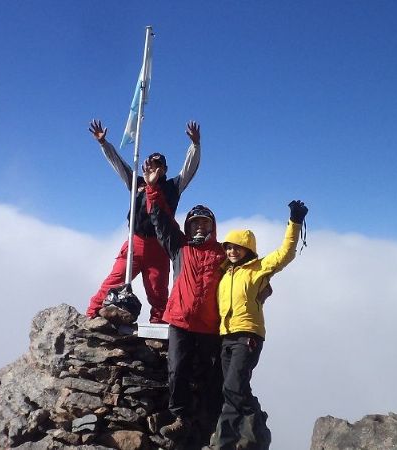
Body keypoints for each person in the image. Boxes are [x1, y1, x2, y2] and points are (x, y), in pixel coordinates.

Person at [211, 200, 308, 450]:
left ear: (248, 249)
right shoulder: (223, 272)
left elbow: (285, 253)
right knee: (232, 388)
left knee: (233, 386)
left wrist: (294, 222)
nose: (232, 251)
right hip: (226, 336)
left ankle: (242, 436)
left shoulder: (258, 269)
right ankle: (236, 439)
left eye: (237, 247)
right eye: (228, 247)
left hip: (248, 335)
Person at [85, 119, 201, 323]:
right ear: (145, 166)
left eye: (158, 166)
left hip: (159, 246)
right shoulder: (137, 182)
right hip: (135, 241)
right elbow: (118, 164)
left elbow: (189, 170)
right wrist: (104, 144)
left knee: (157, 289)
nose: (154, 169)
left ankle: (158, 325)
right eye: (150, 164)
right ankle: (91, 315)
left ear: (164, 169)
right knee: (115, 279)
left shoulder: (173, 187)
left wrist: (195, 145)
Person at [143, 161, 225, 441]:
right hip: (179, 321)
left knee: (209, 376)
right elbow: (161, 220)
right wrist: (152, 188)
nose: (199, 227)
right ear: (188, 227)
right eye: (195, 223)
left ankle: (208, 422)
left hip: (209, 326)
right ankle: (180, 417)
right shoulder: (179, 246)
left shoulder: (223, 254)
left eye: (204, 222)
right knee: (177, 371)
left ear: (212, 227)